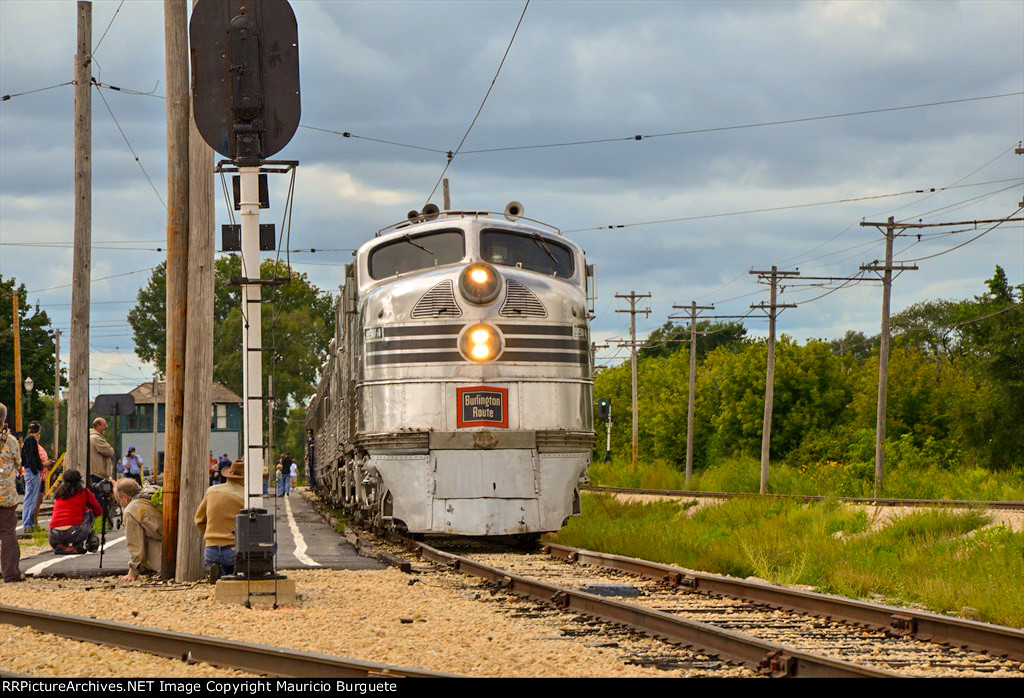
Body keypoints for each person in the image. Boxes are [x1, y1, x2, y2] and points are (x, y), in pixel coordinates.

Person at [195, 459, 245, 582]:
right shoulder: (245, 496)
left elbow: (198, 520)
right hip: (233, 549)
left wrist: (211, 536)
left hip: (210, 549)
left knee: (219, 566)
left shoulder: (211, 491)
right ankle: (232, 570)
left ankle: (217, 569)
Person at [114, 478, 162, 582]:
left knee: (140, 540)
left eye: (118, 500)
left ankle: (156, 568)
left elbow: (135, 545)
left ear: (126, 497)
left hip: (166, 554)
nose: (118, 503)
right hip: (180, 541)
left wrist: (133, 571)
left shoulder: (131, 510)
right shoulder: (152, 490)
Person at [49, 469, 102, 555]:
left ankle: (60, 546)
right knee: (90, 514)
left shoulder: (58, 493)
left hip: (54, 534)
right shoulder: (85, 492)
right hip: (74, 533)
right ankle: (77, 545)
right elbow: (98, 511)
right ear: (80, 480)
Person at [0, 403, 23, 583]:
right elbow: (18, 465)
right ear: (3, 421)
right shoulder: (11, 441)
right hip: (5, 495)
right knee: (8, 532)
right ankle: (10, 573)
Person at [20, 422, 44, 532]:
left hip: (29, 471)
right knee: (31, 498)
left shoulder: (27, 440)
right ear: (38, 431)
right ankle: (27, 524)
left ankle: (28, 524)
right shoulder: (31, 440)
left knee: (31, 498)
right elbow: (31, 457)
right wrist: (36, 469)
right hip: (32, 472)